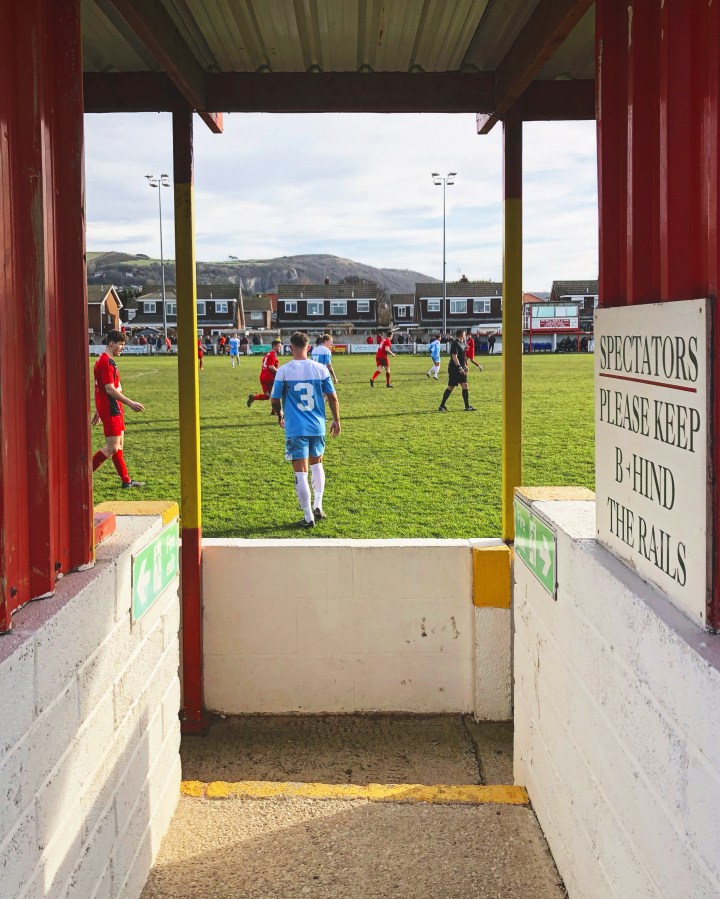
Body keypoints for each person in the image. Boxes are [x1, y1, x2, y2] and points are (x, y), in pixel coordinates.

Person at [271, 331, 341, 529]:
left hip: (296, 428)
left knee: (300, 472)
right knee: (317, 464)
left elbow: (274, 400)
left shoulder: (284, 371)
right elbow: (333, 397)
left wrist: (279, 414)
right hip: (317, 425)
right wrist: (336, 420)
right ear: (308, 347)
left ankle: (308, 516)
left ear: (291, 348)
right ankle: (318, 504)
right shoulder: (320, 369)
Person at [91, 330, 145, 488]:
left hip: (111, 407)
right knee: (112, 447)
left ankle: (126, 480)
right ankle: (83, 476)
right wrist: (131, 403)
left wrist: (98, 410)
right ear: (111, 343)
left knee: (118, 446)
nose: (122, 348)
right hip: (111, 408)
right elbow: (109, 389)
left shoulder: (104, 360)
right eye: (121, 344)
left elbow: (98, 388)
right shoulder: (106, 362)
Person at [438, 328, 476, 412]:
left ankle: (467, 406)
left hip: (461, 368)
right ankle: (441, 406)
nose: (465, 335)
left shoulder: (462, 343)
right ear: (462, 335)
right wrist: (459, 367)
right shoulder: (455, 344)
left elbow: (462, 357)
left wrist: (465, 365)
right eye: (465, 334)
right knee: (451, 387)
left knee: (465, 385)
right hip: (454, 369)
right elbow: (454, 357)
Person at [247, 338, 282, 407]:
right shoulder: (272, 355)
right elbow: (270, 366)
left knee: (267, 396)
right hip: (269, 377)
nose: (280, 348)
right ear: (274, 346)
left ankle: (253, 397)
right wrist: (279, 372)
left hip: (263, 376)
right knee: (275, 395)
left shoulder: (267, 354)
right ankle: (275, 411)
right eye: (279, 346)